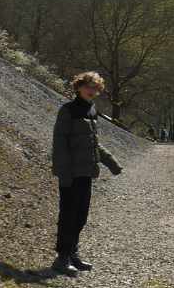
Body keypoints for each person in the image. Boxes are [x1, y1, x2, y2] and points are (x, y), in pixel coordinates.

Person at [50, 71, 122, 276]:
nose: (92, 90)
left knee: (81, 216)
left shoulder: (91, 110)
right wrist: (63, 173)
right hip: (71, 173)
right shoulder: (68, 110)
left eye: (95, 87)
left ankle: (73, 254)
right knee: (68, 215)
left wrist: (111, 162)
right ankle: (61, 258)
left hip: (86, 172)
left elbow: (94, 143)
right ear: (79, 87)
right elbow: (60, 145)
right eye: (88, 86)